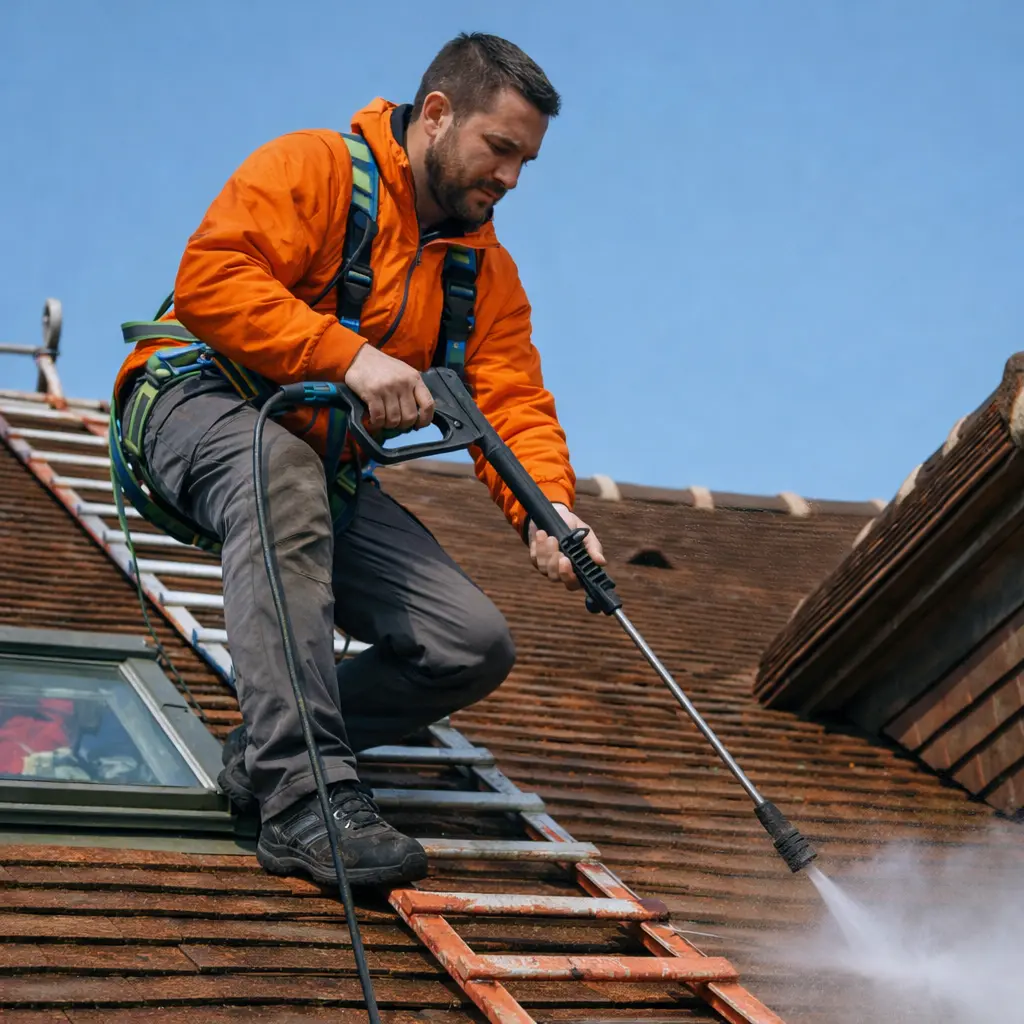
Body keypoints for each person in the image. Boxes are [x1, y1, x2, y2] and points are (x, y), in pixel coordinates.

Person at [114, 32, 605, 886]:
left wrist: (546, 512)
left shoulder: (486, 277)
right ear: (440, 115)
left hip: (313, 466)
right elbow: (212, 278)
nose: (512, 178)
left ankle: (257, 757)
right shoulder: (315, 169)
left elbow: (510, 405)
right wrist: (349, 357)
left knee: (470, 644)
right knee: (283, 473)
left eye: (527, 162)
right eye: (501, 149)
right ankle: (305, 803)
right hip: (196, 405)